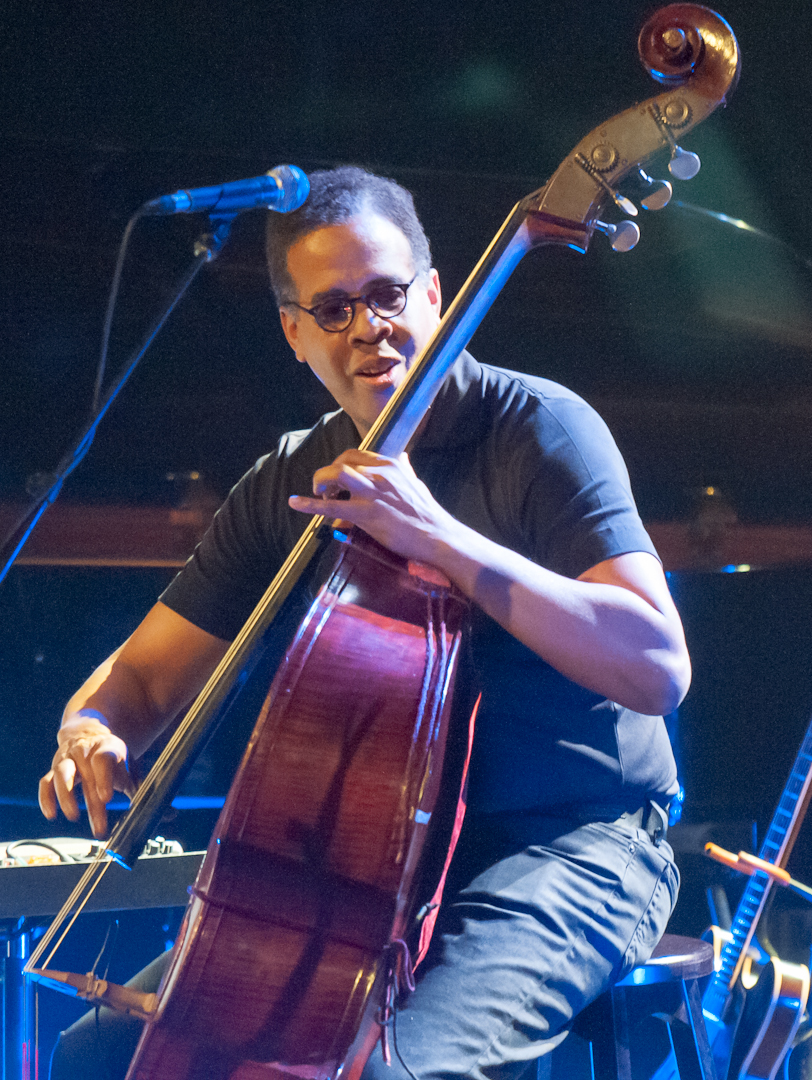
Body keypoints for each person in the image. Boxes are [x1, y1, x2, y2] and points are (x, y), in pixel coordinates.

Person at [40, 165, 690, 1080]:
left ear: (433, 293)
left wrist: (443, 539)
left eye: (387, 295)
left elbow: (658, 664)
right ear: (294, 333)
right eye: (334, 309)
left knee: (385, 1073)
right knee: (103, 1052)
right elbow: (144, 680)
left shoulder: (539, 429)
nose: (369, 329)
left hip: (573, 844)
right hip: (370, 868)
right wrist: (90, 728)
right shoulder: (294, 480)